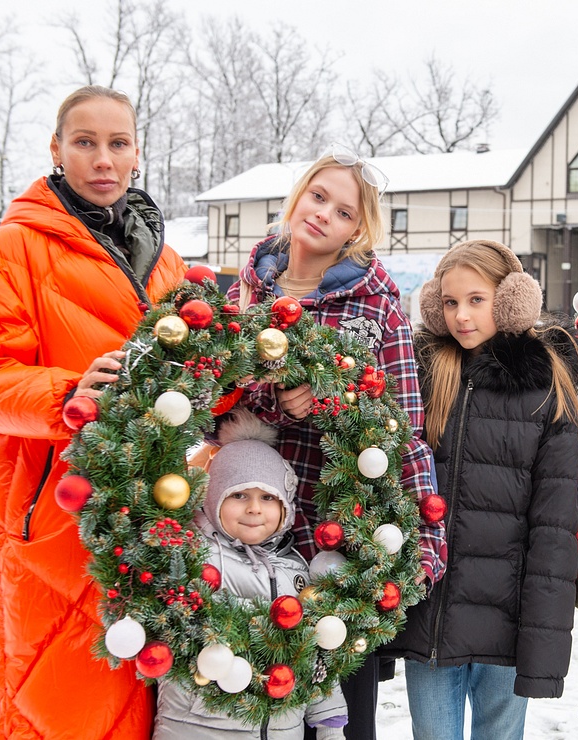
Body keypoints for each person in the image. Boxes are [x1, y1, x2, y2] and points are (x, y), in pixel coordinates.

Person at [0, 85, 187, 739]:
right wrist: (68, 396)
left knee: (145, 703)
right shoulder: (9, 250)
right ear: (56, 150)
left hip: (148, 515)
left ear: (137, 153)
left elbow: (192, 380)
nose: (103, 159)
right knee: (56, 707)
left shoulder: (165, 263)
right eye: (85, 142)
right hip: (52, 519)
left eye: (118, 143)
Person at [216, 145, 444, 740]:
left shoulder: (376, 308)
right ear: (298, 196)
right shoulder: (249, 290)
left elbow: (401, 422)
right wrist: (270, 395)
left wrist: (422, 538)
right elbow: (219, 394)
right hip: (248, 528)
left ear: (357, 231)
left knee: (340, 714)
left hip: (334, 533)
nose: (323, 214)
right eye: (318, 196)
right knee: (240, 698)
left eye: (344, 212)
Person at [383, 239, 578, 740]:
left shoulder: (545, 392)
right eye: (450, 302)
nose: (461, 316)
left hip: (508, 619)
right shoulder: (423, 376)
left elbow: (553, 529)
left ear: (512, 299)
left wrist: (541, 651)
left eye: (477, 299)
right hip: (429, 613)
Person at [155, 410, 347, 740]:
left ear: (285, 505)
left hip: (282, 730)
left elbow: (314, 655)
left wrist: (330, 724)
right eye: (239, 495)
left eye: (268, 497)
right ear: (213, 498)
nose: (254, 508)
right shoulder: (196, 557)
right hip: (199, 728)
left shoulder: (296, 570)